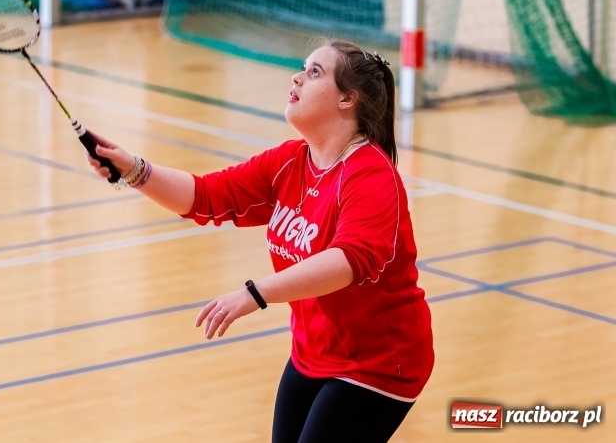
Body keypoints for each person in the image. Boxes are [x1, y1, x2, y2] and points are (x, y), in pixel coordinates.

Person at [86, 38, 434, 442]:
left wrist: (255, 293)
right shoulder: (288, 161)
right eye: (303, 68)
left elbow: (347, 262)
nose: (297, 77)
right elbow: (205, 197)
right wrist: (133, 169)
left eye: (315, 72)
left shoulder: (370, 175)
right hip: (313, 352)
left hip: (377, 364)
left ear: (347, 100)